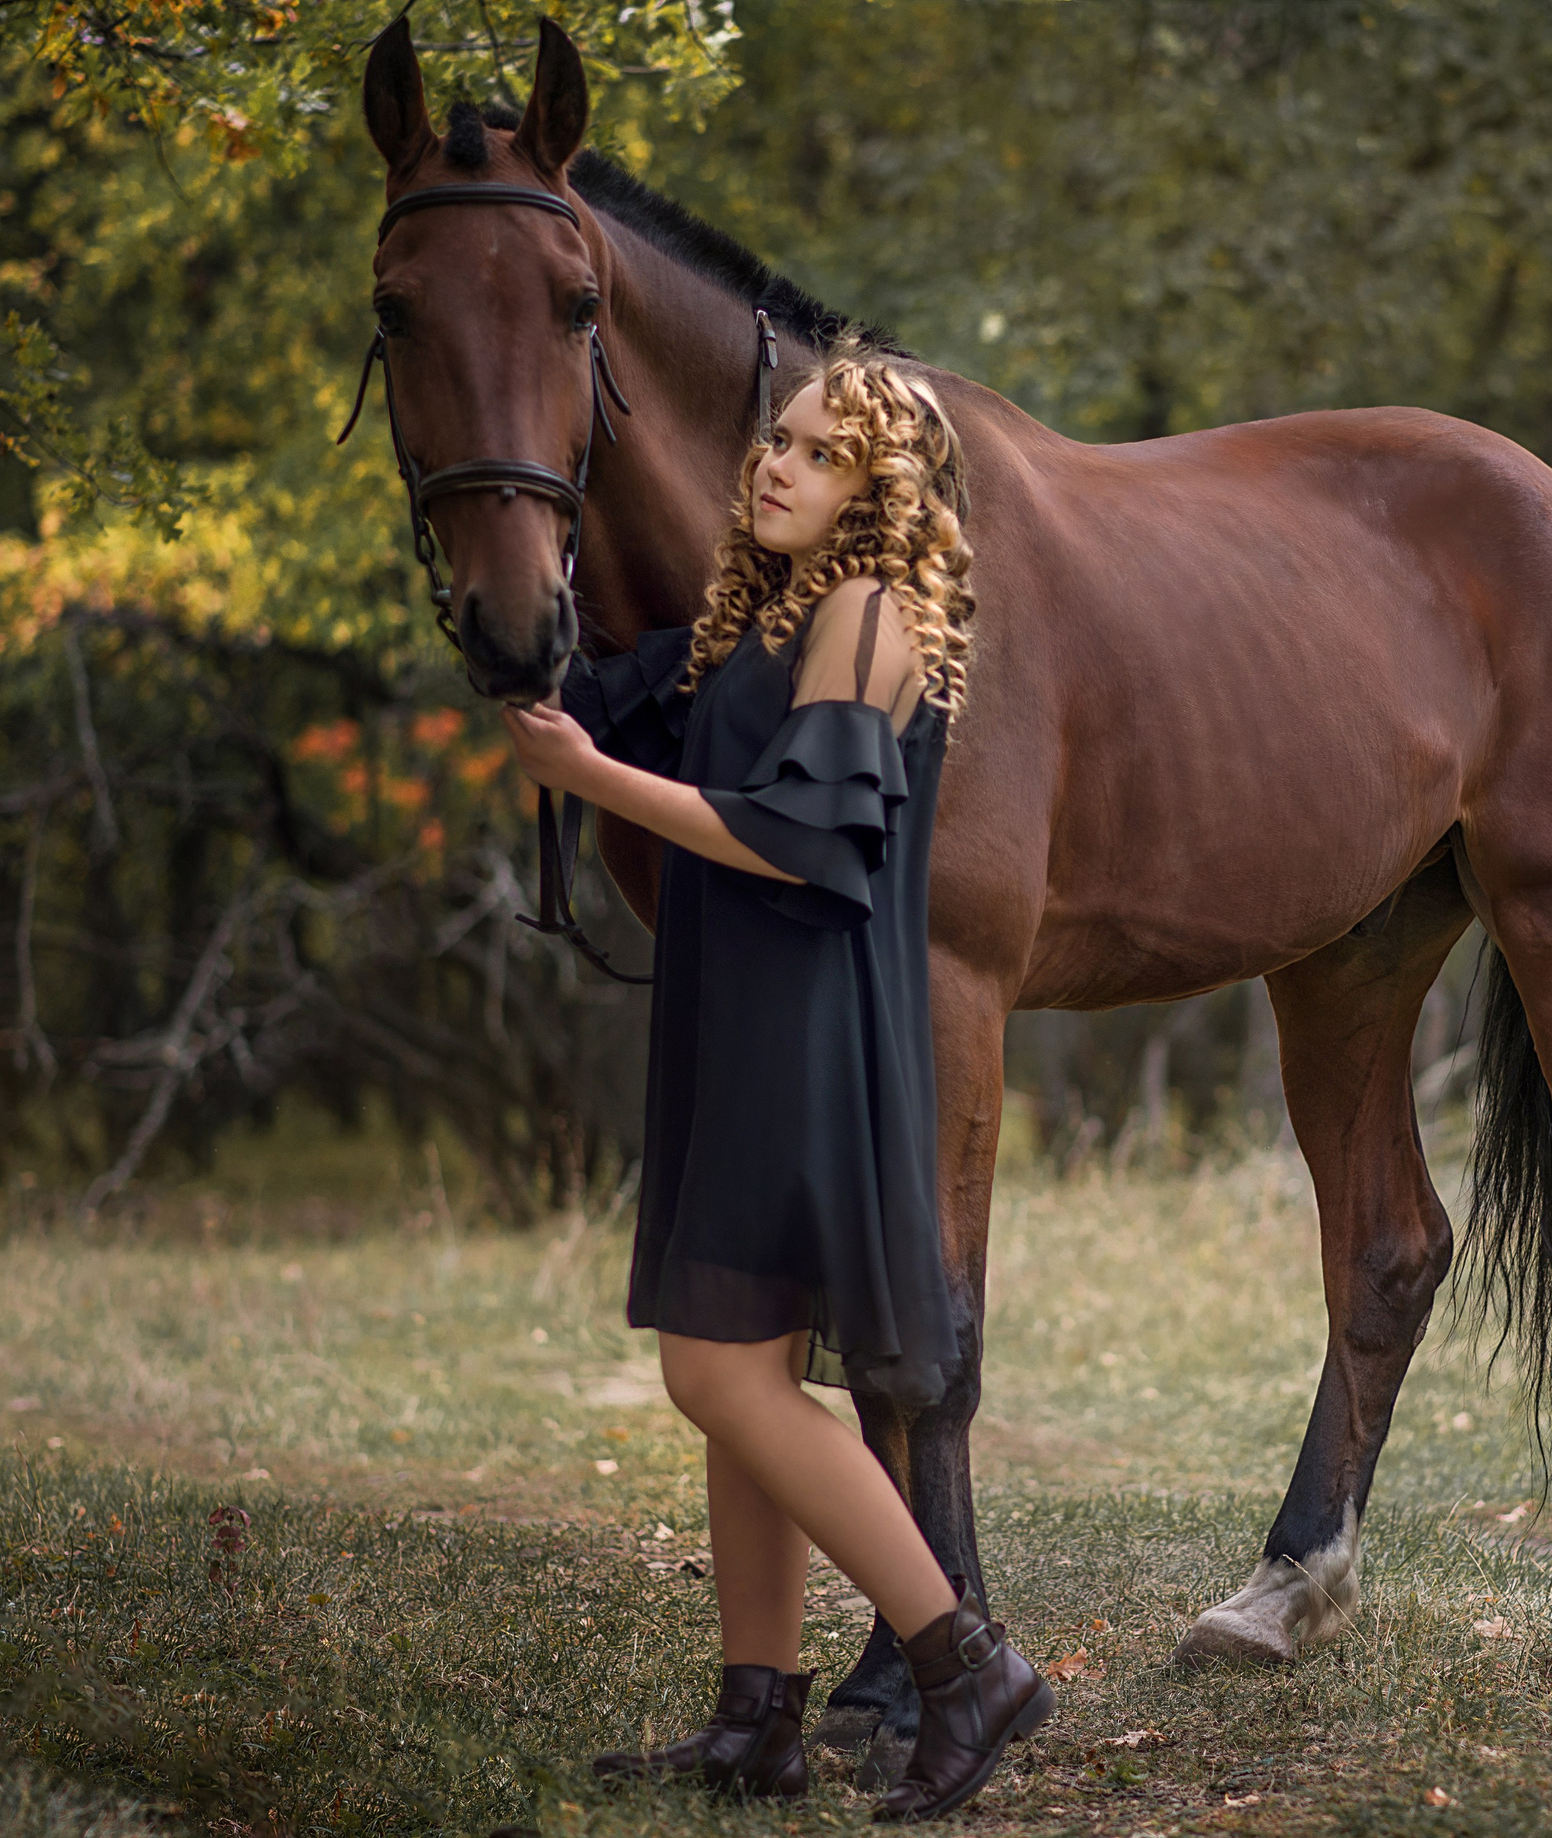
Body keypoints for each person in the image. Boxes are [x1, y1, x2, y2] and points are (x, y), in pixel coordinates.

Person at [501, 345, 1051, 1822]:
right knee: (734, 1374)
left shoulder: (869, 615)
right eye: (776, 440)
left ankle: (965, 1663)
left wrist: (591, 780)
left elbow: (804, 841)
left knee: (717, 1374)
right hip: (738, 1020)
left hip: (802, 1033)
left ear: (883, 493)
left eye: (817, 452)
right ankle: (758, 1718)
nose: (775, 464)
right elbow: (619, 703)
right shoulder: (765, 615)